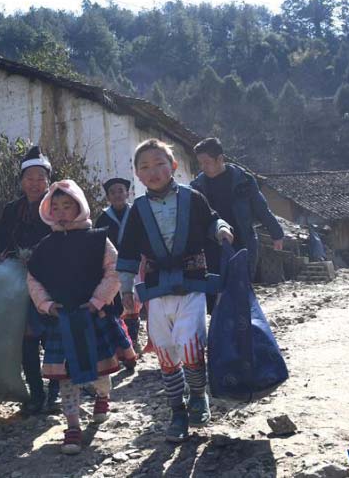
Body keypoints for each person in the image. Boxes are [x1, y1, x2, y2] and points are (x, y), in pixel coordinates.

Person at [116, 139, 233, 443]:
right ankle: (176, 412)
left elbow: (211, 220)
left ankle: (197, 395)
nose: (153, 171)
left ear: (174, 167)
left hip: (192, 284)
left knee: (192, 346)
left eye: (159, 164)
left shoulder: (193, 198)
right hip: (156, 291)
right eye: (144, 167)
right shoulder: (138, 210)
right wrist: (126, 292)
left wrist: (220, 229)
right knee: (166, 353)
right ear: (137, 175)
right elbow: (127, 253)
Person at [27, 180, 135, 454]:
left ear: (80, 207)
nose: (62, 212)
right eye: (57, 207)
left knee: (98, 368)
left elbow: (114, 270)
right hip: (62, 320)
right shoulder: (45, 247)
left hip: (93, 316)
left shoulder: (98, 239)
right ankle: (72, 427)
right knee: (66, 377)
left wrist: (97, 301)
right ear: (49, 210)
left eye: (68, 206)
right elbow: (34, 278)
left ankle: (102, 395)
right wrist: (47, 305)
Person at [0, 145, 58, 414]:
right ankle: (35, 393)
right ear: (21, 181)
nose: (35, 183)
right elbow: (0, 238)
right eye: (29, 178)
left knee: (53, 337)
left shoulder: (56, 205)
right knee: (26, 337)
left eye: (41, 178)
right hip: (18, 282)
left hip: (52, 280)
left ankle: (55, 391)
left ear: (48, 180)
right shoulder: (11, 210)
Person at [190, 137, 284, 287]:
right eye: (200, 163)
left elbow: (261, 208)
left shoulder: (244, 180)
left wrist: (276, 234)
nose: (203, 167)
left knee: (242, 287)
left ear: (220, 159)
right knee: (218, 290)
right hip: (213, 246)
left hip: (243, 243)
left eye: (206, 162)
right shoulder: (197, 186)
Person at [95, 177, 142, 368]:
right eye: (113, 192)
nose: (117, 195)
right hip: (113, 266)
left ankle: (134, 340)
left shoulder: (137, 212)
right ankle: (122, 345)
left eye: (120, 190)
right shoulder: (103, 217)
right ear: (108, 197)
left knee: (135, 302)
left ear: (128, 193)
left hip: (136, 262)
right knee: (117, 303)